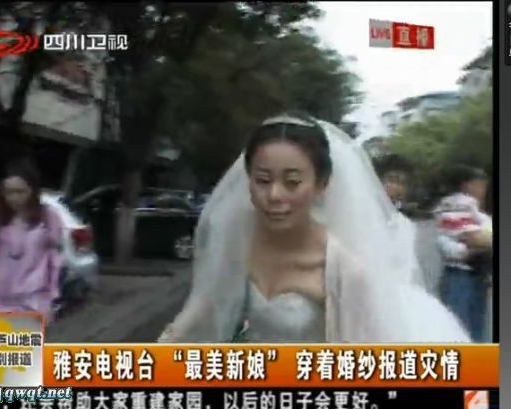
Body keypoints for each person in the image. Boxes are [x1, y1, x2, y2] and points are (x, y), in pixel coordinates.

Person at [158, 114, 470, 343]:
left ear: (321, 185)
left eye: (292, 182)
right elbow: (203, 308)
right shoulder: (238, 241)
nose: (274, 195)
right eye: (262, 180)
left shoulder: (346, 272)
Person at [0, 159, 64, 324]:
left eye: (20, 192)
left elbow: (55, 261)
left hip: (33, 299)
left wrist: (52, 298)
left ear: (32, 190)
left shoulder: (48, 216)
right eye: (8, 192)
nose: (14, 198)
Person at [434, 165, 493, 341]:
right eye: (480, 185)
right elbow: (445, 241)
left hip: (478, 276)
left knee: (477, 328)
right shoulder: (450, 210)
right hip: (458, 276)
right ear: (468, 185)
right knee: (458, 329)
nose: (484, 190)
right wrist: (470, 248)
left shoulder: (478, 214)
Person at [374, 154, 424, 287]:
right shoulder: (363, 214)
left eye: (402, 183)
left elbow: (408, 266)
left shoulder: (405, 223)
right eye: (391, 180)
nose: (397, 187)